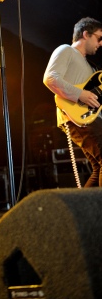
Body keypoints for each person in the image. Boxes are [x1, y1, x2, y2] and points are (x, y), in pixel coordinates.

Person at [43, 17, 102, 187]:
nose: (100, 43)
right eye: (99, 38)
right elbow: (50, 78)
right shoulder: (66, 50)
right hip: (77, 117)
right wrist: (80, 94)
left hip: (90, 117)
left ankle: (84, 212)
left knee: (98, 168)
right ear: (86, 34)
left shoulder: (91, 67)